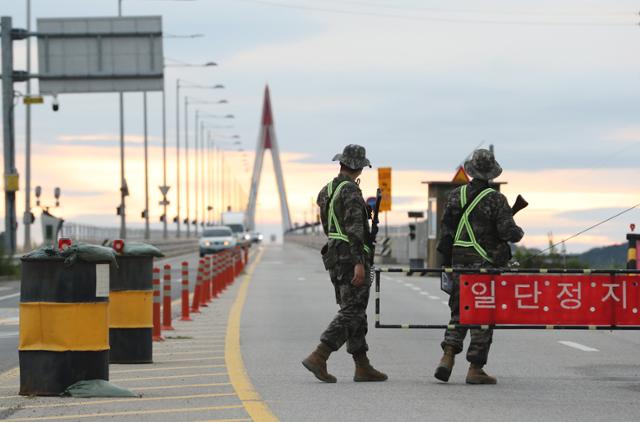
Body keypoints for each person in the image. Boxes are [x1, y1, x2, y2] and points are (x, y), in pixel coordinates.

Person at [434, 149, 524, 385]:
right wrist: (518, 231)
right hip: (485, 266)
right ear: (491, 174)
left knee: (459, 312)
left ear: (472, 170)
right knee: (482, 314)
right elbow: (508, 233)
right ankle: (475, 368)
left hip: (458, 263)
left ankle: (447, 356)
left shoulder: (456, 195)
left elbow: (446, 231)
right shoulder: (496, 199)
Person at [301, 144, 388, 383]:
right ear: (359, 166)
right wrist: (359, 262)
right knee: (352, 310)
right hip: (351, 256)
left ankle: (362, 365)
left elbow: (330, 227)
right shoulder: (350, 191)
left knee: (354, 309)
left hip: (335, 254)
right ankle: (320, 355)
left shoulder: (326, 191)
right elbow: (355, 229)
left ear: (341, 163)